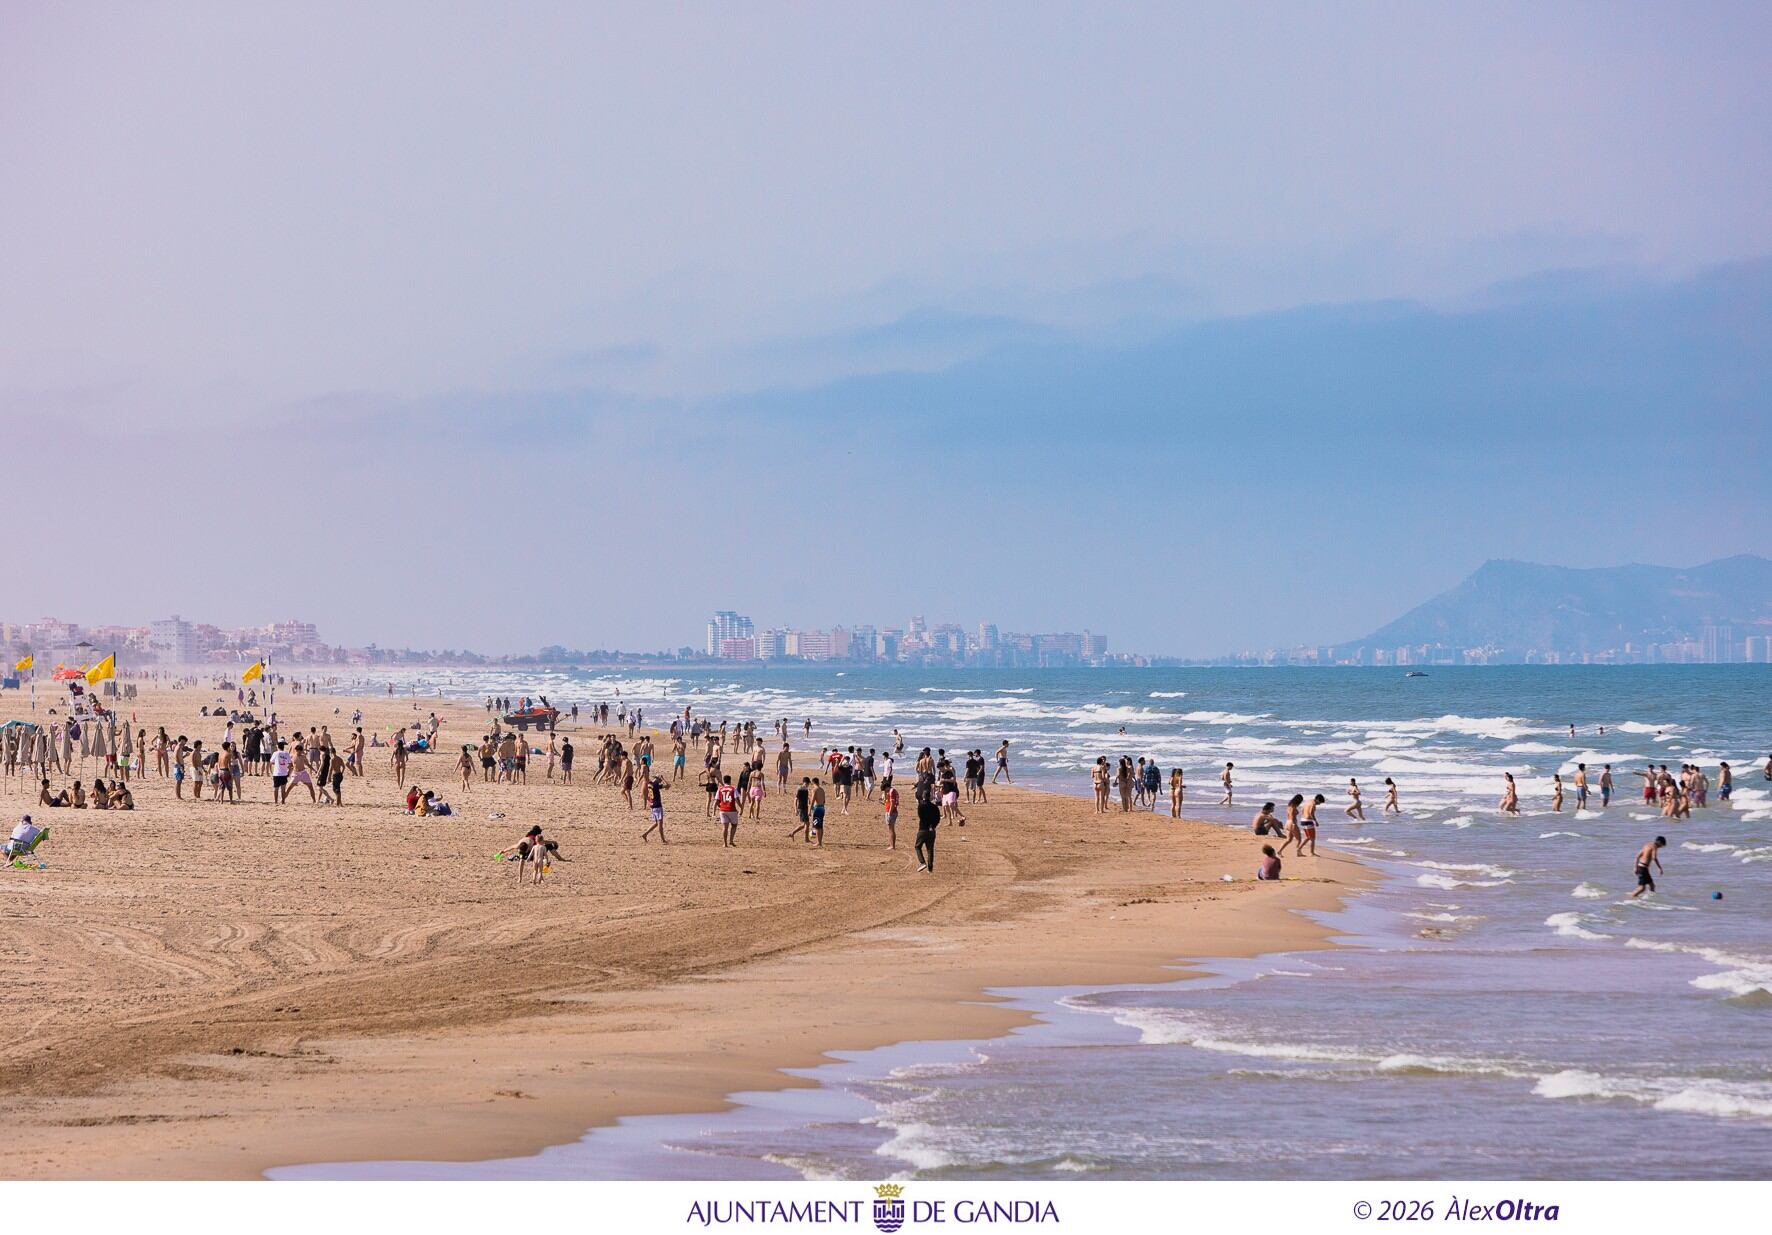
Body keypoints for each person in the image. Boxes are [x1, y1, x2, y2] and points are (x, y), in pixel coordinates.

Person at [915, 788, 940, 873]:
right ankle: (930, 869)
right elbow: (937, 818)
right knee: (930, 849)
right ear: (930, 797)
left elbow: (920, 816)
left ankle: (922, 862)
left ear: (923, 796)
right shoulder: (934, 807)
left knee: (918, 846)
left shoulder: (921, 806)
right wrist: (933, 826)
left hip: (922, 829)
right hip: (931, 830)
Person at [715, 775, 740, 847]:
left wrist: (720, 807)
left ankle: (725, 843)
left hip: (723, 810)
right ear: (730, 780)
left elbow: (716, 801)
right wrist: (741, 806)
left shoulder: (720, 789)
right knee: (734, 825)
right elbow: (736, 799)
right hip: (732, 809)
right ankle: (731, 841)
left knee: (725, 827)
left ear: (724, 781)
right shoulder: (733, 788)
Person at [641, 776, 667, 843]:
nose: (660, 781)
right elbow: (668, 785)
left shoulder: (650, 784)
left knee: (656, 823)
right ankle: (663, 840)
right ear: (658, 779)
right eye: (660, 780)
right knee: (660, 824)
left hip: (652, 805)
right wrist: (664, 779)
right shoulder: (656, 785)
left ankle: (645, 834)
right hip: (658, 806)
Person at [882, 782, 900, 849]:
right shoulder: (892, 791)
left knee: (891, 829)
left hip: (892, 812)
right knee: (890, 829)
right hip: (890, 811)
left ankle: (892, 846)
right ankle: (891, 845)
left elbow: (893, 803)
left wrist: (889, 813)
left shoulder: (892, 791)